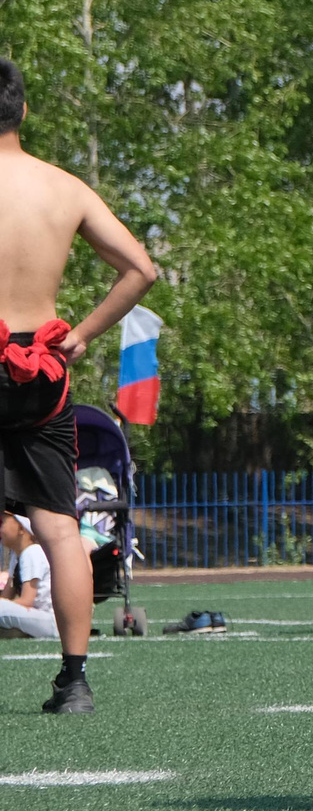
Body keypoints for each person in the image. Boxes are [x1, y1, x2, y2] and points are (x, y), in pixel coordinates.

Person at [0, 58, 158, 713]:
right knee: (60, 527)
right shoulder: (64, 188)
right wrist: (85, 331)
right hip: (43, 370)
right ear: (24, 111)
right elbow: (140, 268)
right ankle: (74, 681)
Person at [0, 510, 58, 641]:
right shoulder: (16, 556)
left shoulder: (32, 552)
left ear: (21, 528)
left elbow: (27, 601)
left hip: (49, 620)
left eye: (3, 522)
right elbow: (5, 597)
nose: (0, 527)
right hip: (34, 617)